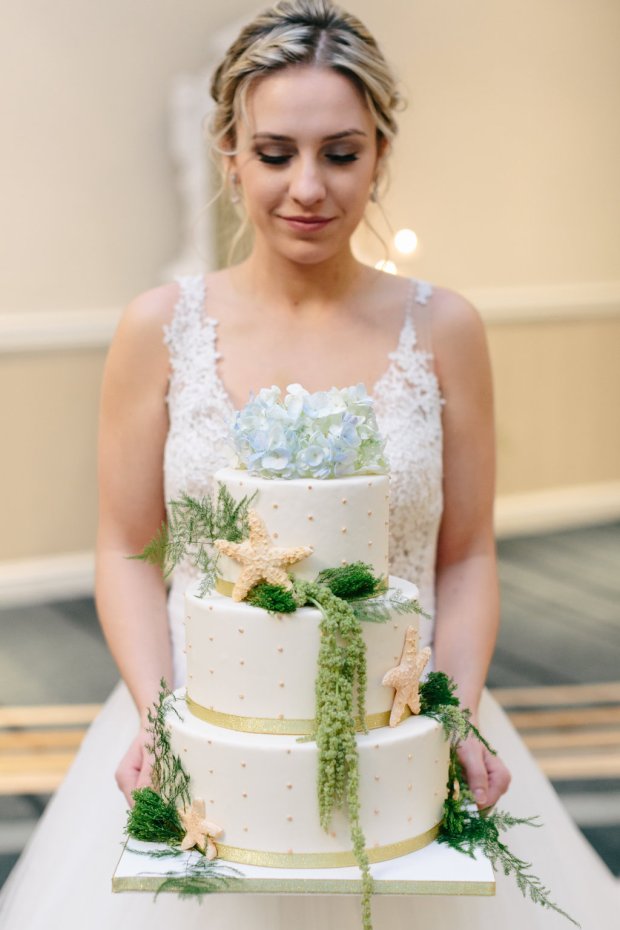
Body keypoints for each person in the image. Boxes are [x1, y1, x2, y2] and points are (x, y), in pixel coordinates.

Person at [0, 1, 617, 927]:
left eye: (341, 152)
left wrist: (449, 716)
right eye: (276, 151)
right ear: (230, 153)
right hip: (207, 729)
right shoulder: (159, 328)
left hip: (395, 732)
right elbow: (128, 548)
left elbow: (466, 553)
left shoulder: (443, 327)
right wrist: (162, 721)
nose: (308, 188)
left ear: (380, 153)